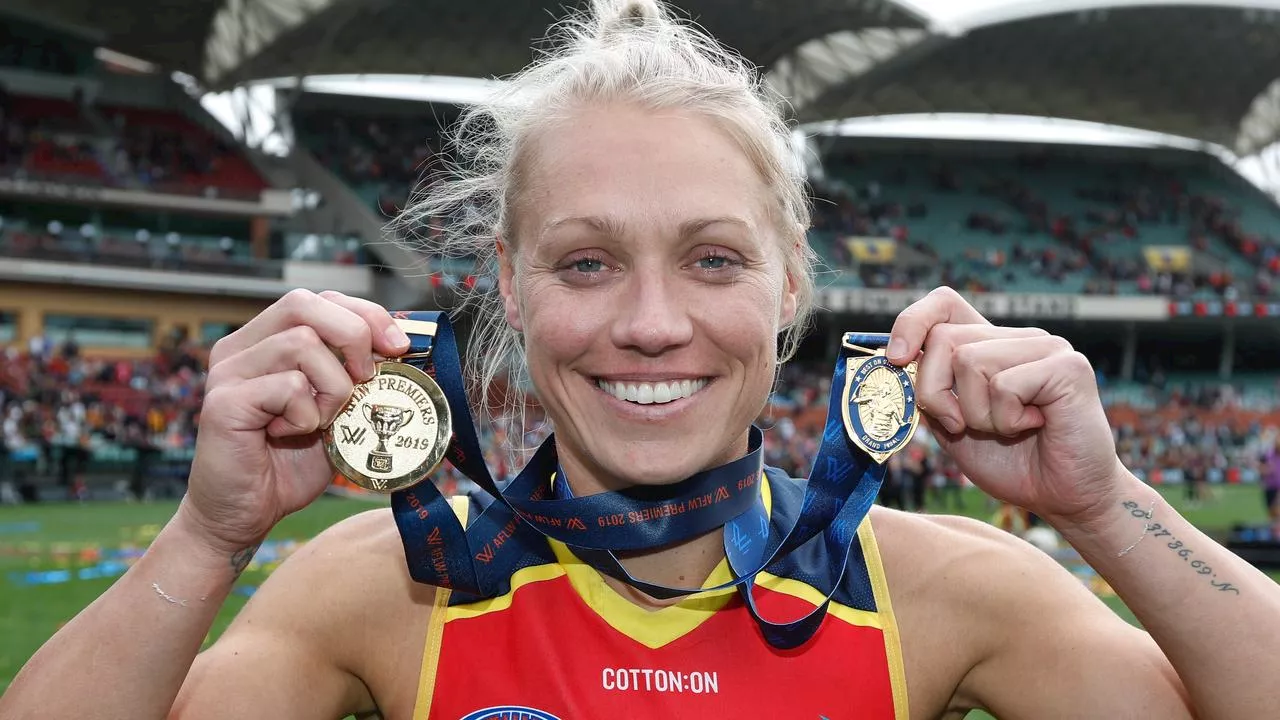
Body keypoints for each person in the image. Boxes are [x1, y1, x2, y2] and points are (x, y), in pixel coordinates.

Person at [5, 2, 1280, 717]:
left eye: (714, 260)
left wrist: (1104, 507)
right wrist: (204, 538)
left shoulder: (944, 590)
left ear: (791, 285)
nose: (653, 324)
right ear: (506, 284)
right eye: (585, 262)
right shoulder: (382, 590)